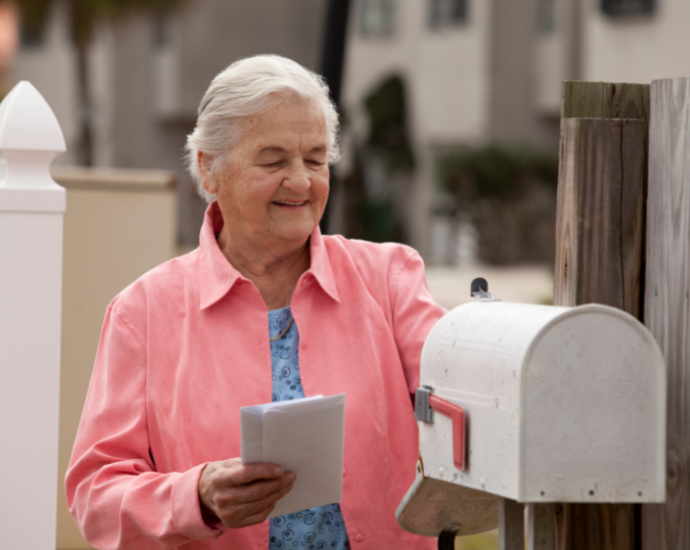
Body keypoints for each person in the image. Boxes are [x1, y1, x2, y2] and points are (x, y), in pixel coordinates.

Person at [66, 54, 446, 550]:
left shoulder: (389, 278)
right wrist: (195, 497)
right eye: (273, 160)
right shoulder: (143, 312)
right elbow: (96, 495)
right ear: (209, 169)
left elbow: (467, 399)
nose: (301, 181)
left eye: (314, 159)